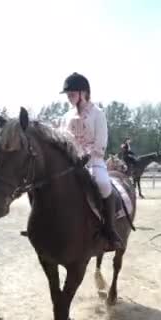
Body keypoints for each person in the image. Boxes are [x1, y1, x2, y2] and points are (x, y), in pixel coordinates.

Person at [60, 72, 123, 250]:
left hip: (93, 160)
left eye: (72, 94)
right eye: (68, 95)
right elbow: (64, 138)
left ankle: (110, 230)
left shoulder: (98, 114)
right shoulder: (66, 116)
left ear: (83, 93)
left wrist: (87, 155)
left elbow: (101, 141)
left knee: (103, 184)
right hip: (71, 162)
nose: (69, 98)